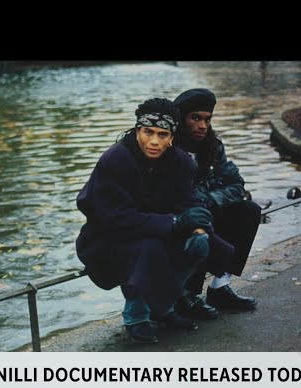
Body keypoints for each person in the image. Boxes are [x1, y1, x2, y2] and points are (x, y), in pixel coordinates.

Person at [76, 98, 234, 343]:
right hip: (109, 236)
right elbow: (117, 218)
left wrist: (199, 226)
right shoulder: (115, 159)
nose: (154, 141)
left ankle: (164, 307)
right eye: (148, 132)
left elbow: (190, 200)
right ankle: (136, 316)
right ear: (137, 131)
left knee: (200, 243)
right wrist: (175, 222)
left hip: (156, 227)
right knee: (150, 247)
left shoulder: (180, 161)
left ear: (171, 138)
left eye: (162, 134)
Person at [172, 88, 261, 320]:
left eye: (207, 119)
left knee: (249, 211)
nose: (203, 126)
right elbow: (177, 195)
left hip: (206, 208)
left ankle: (219, 287)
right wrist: (204, 198)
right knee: (199, 218)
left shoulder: (213, 146)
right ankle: (185, 294)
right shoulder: (168, 147)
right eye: (195, 118)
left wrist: (209, 198)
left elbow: (236, 186)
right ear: (181, 119)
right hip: (178, 218)